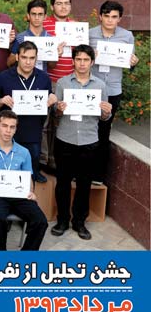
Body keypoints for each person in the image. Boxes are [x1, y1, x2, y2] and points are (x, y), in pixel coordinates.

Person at [52, 45, 113, 241]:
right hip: (65, 139)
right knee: (62, 183)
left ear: (92, 62)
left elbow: (104, 117)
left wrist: (106, 112)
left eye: (86, 60)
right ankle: (62, 220)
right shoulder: (62, 83)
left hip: (89, 141)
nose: (82, 63)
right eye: (78, 59)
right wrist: (59, 109)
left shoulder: (100, 86)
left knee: (84, 184)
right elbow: (55, 114)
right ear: (73, 61)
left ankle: (79, 222)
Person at [0, 110, 48, 251]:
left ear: (16, 129)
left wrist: (31, 192)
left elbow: (28, 177)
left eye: (12, 127)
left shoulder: (24, 152)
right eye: (4, 126)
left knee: (41, 221)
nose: (8, 131)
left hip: (19, 194)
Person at [0, 41, 57, 183]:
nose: (28, 62)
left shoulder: (44, 78)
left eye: (32, 58)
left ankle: (35, 173)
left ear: (36, 58)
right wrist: (0, 100)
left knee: (33, 161)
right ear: (17, 57)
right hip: (9, 131)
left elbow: (49, 97)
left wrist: (52, 98)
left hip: (33, 129)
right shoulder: (4, 77)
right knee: (8, 165)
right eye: (24, 57)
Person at [88, 0, 139, 184]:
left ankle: (98, 175)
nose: (110, 20)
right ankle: (82, 172)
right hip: (90, 89)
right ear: (100, 17)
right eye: (107, 16)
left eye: (114, 17)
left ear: (120, 19)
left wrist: (133, 63)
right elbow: (80, 60)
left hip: (112, 90)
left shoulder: (127, 36)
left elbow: (129, 62)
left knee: (104, 131)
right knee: (86, 129)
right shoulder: (89, 34)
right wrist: (90, 56)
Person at [9, 0, 53, 71]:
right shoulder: (20, 38)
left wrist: (55, 55)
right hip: (23, 76)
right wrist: (18, 55)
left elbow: (52, 66)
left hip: (42, 76)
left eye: (40, 14)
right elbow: (9, 63)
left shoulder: (50, 38)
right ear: (28, 16)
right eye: (33, 14)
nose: (37, 18)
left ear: (45, 16)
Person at [43, 0, 75, 83]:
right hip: (50, 79)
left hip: (72, 80)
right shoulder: (43, 25)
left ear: (70, 6)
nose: (63, 7)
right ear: (52, 7)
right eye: (59, 4)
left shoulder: (76, 26)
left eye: (66, 3)